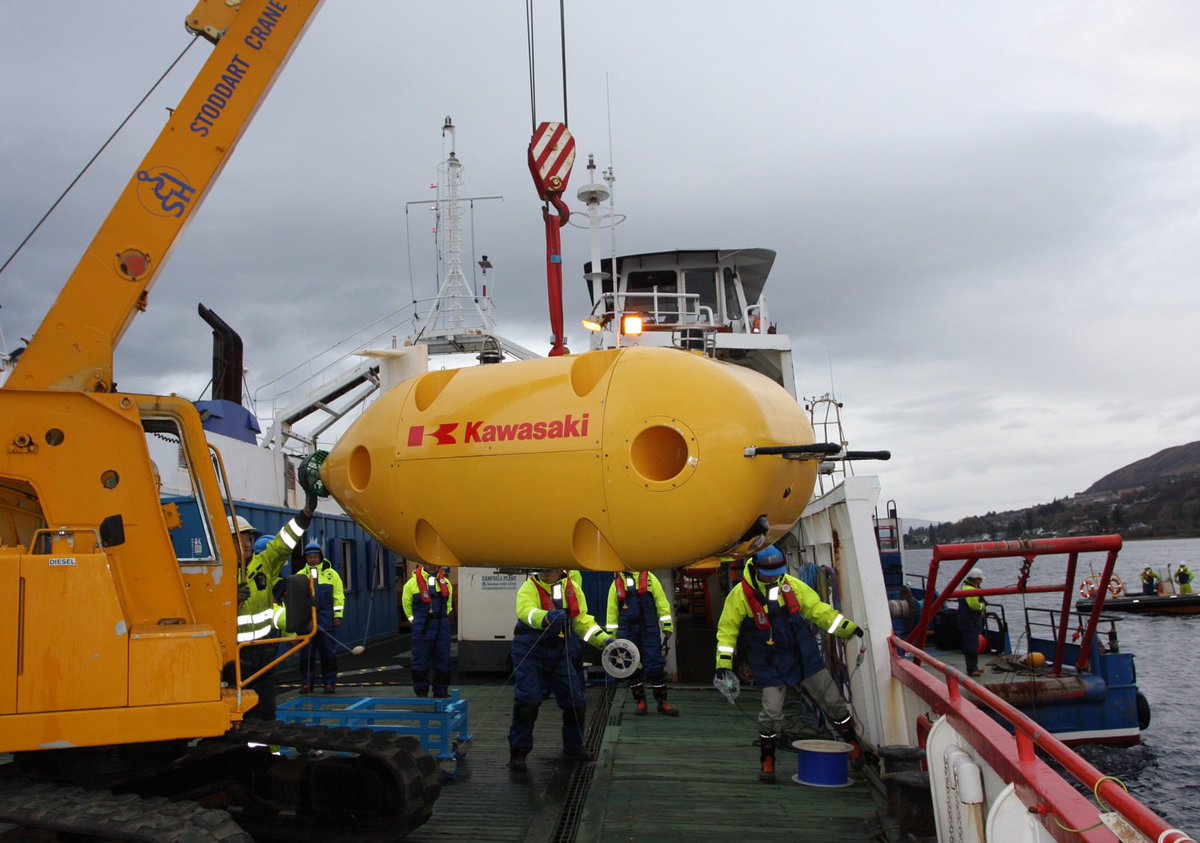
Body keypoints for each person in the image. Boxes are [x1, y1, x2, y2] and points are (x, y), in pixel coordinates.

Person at [714, 546, 863, 784]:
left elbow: (817, 610)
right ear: (757, 568)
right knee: (770, 713)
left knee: (833, 701)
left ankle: (853, 744)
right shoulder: (739, 595)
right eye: (769, 573)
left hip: (803, 655)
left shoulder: (792, 585)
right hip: (769, 662)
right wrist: (723, 663)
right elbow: (727, 630)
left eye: (778, 572)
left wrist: (846, 627)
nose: (775, 577)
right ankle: (767, 759)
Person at [508, 568, 613, 772]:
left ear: (560, 569)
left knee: (576, 701)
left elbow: (582, 621)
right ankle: (518, 752)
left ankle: (574, 747)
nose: (546, 573)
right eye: (542, 568)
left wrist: (604, 640)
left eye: (551, 568)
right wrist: (545, 617)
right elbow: (526, 612)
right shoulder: (528, 588)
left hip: (560, 653)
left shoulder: (572, 590)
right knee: (527, 700)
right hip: (530, 653)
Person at [229, 489, 317, 719]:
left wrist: (305, 514)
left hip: (265, 653)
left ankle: (268, 753)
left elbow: (283, 542)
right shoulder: (216, 575)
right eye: (239, 538)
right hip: (233, 658)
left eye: (248, 538)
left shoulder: (264, 564)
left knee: (266, 713)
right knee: (237, 716)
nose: (246, 543)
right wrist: (228, 601)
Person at [606, 570, 678, 716]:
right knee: (631, 666)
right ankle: (640, 701)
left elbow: (662, 603)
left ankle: (662, 702)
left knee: (655, 664)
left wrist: (667, 626)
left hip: (649, 628)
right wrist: (611, 638)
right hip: (627, 630)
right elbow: (611, 611)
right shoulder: (617, 584)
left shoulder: (651, 580)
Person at [298, 541, 346, 693]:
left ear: (320, 557)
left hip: (326, 620)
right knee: (306, 655)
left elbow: (339, 596)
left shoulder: (332, 575)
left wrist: (338, 615)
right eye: (309, 557)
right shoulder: (300, 576)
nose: (312, 559)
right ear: (306, 559)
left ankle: (329, 683)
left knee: (328, 654)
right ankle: (306, 683)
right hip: (306, 622)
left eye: (315, 556)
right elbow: (295, 600)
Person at [402, 564, 455, 697]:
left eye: (435, 564)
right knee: (420, 660)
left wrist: (442, 618)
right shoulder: (411, 584)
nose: (432, 567)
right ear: (424, 564)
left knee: (443, 659)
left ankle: (441, 691)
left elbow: (448, 605)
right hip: (422, 625)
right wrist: (414, 621)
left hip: (441, 625)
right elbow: (406, 606)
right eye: (429, 564)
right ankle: (421, 691)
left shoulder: (446, 582)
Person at [958, 568, 987, 678]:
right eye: (980, 579)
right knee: (971, 646)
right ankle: (971, 669)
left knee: (973, 645)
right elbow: (974, 606)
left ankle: (974, 667)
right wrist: (983, 606)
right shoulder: (969, 590)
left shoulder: (967, 587)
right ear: (977, 579)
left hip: (971, 622)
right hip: (969, 622)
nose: (981, 582)